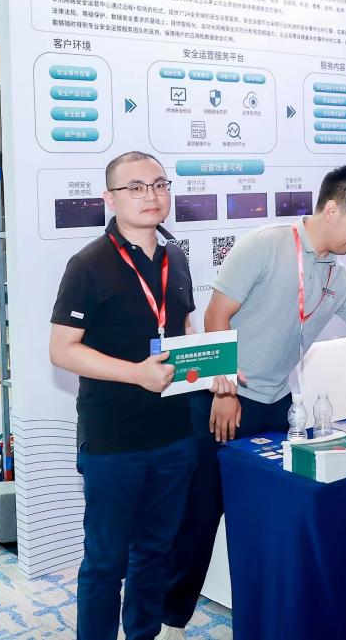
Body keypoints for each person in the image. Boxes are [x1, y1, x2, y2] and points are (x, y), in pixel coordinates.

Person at [161, 166, 346, 638]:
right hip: (222, 401)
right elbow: (216, 316)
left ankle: (266, 619)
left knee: (268, 515)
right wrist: (224, 390)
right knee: (198, 518)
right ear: (332, 209)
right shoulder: (265, 245)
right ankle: (170, 620)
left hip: (276, 407)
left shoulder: (337, 277)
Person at [47, 151, 236, 640]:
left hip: (175, 433)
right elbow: (62, 350)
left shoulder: (176, 256)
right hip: (114, 438)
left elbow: (182, 328)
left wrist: (213, 368)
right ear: (110, 199)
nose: (150, 195)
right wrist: (135, 374)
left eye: (159, 184)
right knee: (106, 561)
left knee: (155, 551)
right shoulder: (88, 264)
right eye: (135, 187)